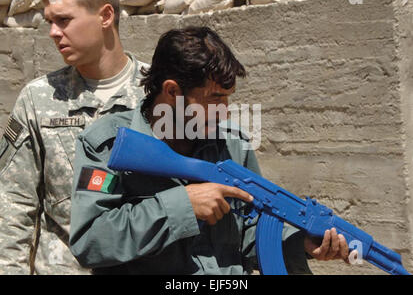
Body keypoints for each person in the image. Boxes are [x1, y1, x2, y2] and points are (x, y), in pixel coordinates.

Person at [69, 26, 351, 274]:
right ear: (172, 92)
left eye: (227, 98)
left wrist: (298, 243)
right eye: (215, 98)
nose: (224, 111)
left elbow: (249, 233)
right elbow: (90, 241)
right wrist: (182, 205)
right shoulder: (108, 145)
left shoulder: (232, 145)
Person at [0, 0, 147, 275]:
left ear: (105, 16)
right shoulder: (38, 99)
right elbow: (12, 203)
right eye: (50, 21)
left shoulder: (159, 94)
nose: (53, 33)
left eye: (64, 20)